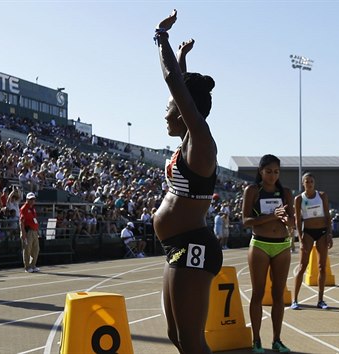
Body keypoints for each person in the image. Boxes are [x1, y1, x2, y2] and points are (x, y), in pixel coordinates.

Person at [152, 10, 222, 354]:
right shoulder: (188, 143)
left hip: (194, 246)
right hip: (176, 247)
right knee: (177, 336)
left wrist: (161, 37)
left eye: (170, 107)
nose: (164, 112)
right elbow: (179, 86)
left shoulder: (202, 141)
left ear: (184, 110)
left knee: (193, 342)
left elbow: (174, 84)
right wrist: (181, 57)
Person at [243, 154, 294, 353]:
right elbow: (246, 221)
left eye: (276, 172)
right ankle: (256, 340)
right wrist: (271, 216)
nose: (272, 176)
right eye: (268, 171)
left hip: (282, 245)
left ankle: (277, 340)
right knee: (258, 293)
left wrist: (286, 220)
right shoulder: (253, 190)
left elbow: (293, 223)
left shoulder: (286, 193)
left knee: (278, 295)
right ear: (260, 171)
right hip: (260, 246)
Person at [291, 172, 333, 310]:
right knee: (302, 265)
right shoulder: (299, 199)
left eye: (311, 182)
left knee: (322, 267)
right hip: (308, 233)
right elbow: (298, 219)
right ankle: (295, 300)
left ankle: (320, 300)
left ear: (314, 183)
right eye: (306, 181)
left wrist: (329, 233)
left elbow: (327, 215)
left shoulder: (322, 196)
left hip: (321, 232)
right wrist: (300, 237)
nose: (309, 184)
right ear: (303, 183)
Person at [20, 192, 40, 273]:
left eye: (33, 199)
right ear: (27, 200)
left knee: (36, 249)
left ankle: (33, 265)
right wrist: (23, 232)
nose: (32, 201)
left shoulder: (33, 209)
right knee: (27, 249)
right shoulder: (24, 208)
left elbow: (34, 220)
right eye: (30, 199)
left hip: (34, 231)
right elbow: (21, 222)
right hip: (28, 231)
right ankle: (27, 267)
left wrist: (37, 231)